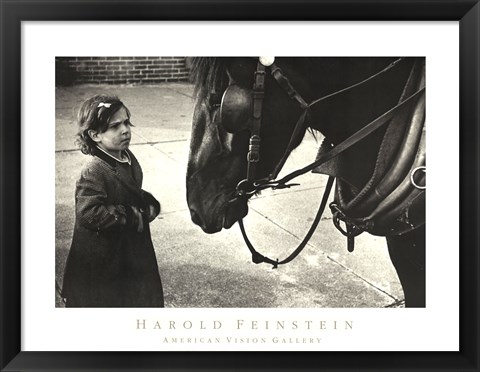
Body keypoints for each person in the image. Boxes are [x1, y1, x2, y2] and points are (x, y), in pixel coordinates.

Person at [62, 94, 164, 307]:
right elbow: (88, 213)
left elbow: (128, 188)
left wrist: (145, 201)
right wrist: (130, 214)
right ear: (95, 135)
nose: (125, 130)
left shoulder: (125, 155)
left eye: (127, 122)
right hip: (104, 257)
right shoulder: (95, 169)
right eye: (115, 126)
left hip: (130, 248)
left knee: (138, 295)